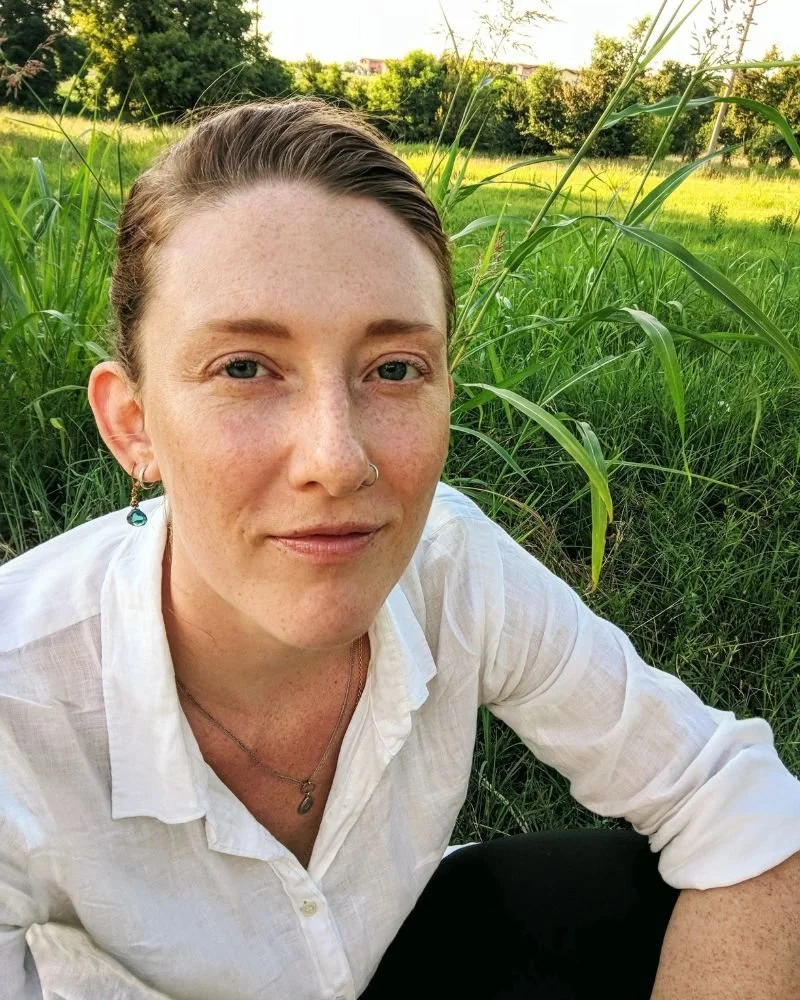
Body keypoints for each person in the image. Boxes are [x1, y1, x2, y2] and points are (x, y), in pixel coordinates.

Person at [1, 97, 798, 1000]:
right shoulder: (16, 715)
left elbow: (732, 795)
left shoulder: (451, 563)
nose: (338, 460)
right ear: (133, 423)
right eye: (245, 368)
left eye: (393, 370)